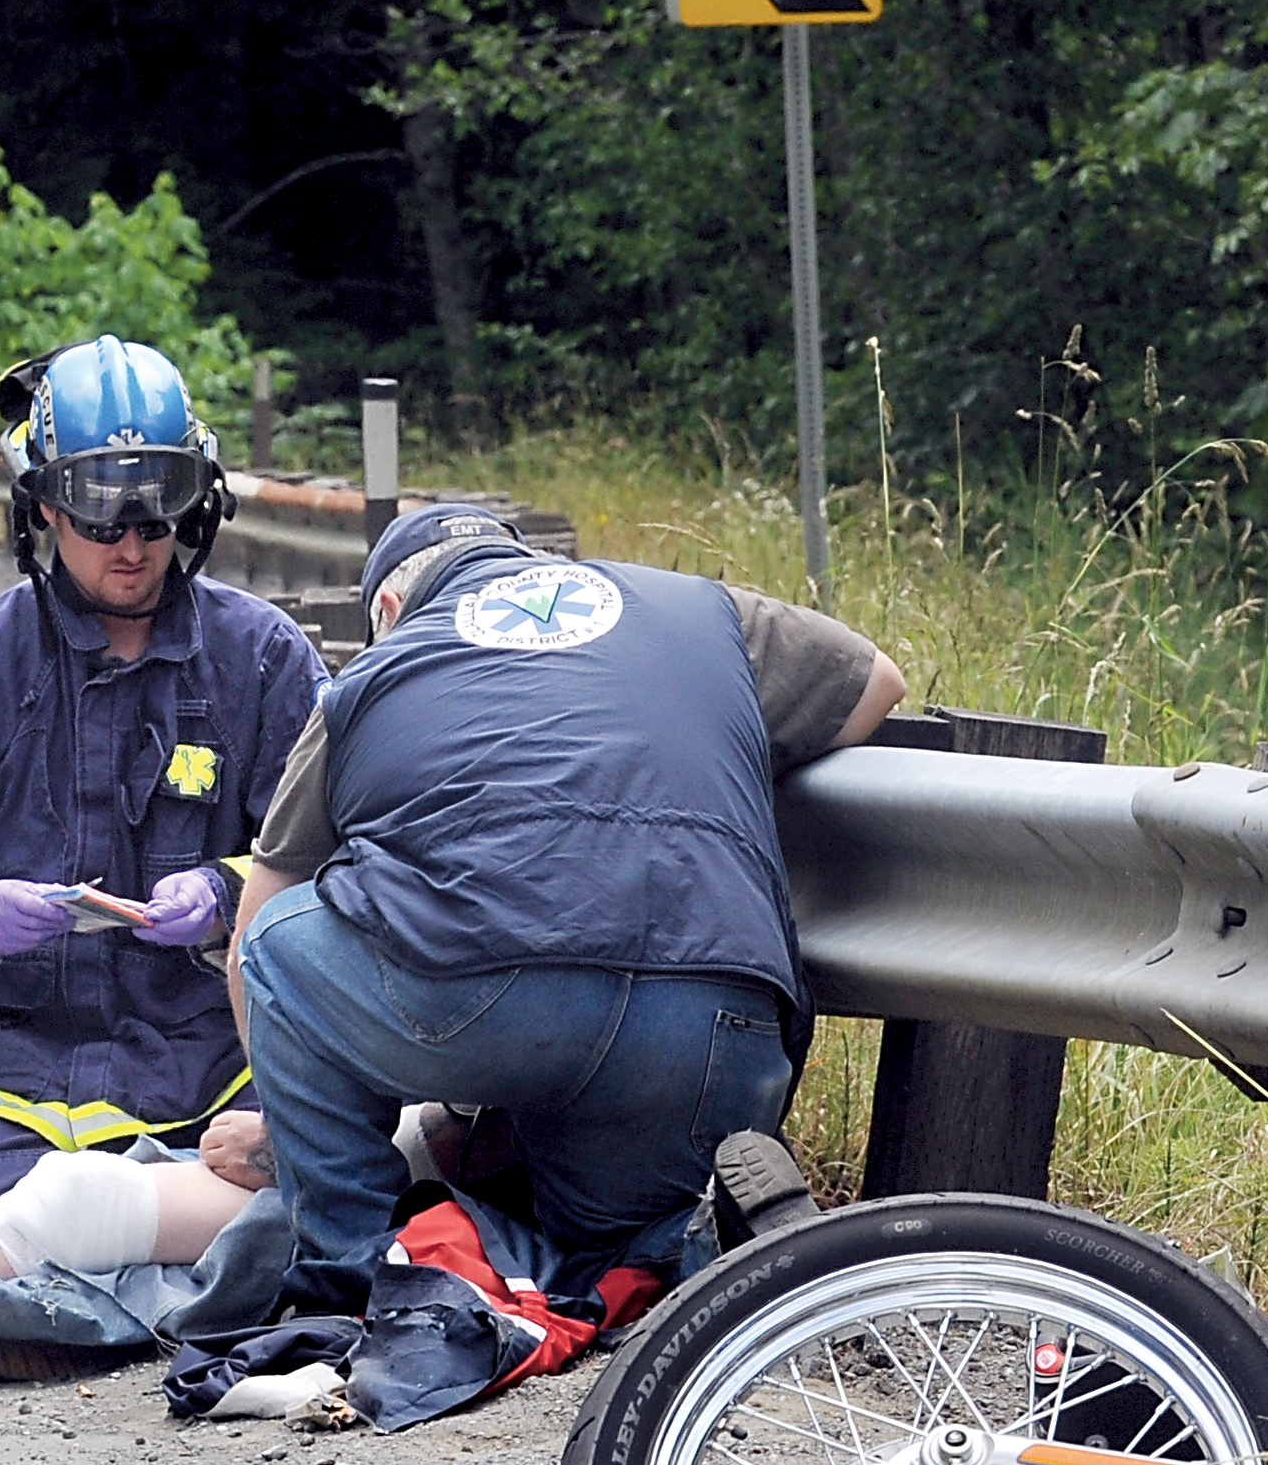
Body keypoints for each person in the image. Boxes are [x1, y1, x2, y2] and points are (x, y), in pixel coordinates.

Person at [228, 506, 904, 1319]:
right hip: (708, 1009)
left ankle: (350, 1276)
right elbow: (876, 684)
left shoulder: (377, 674)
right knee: (615, 1238)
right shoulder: (699, 609)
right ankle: (704, 1243)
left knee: (278, 945)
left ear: (388, 611)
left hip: (493, 1000)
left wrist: (286, 1137)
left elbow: (262, 916)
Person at [0, 337, 321, 1316]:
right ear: (43, 508)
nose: (131, 544)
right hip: (9, 1072)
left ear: (197, 500)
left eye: (155, 512)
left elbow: (340, 854)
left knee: (311, 1234)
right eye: (98, 516)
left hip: (211, 1068)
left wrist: (228, 893)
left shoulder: (262, 661)